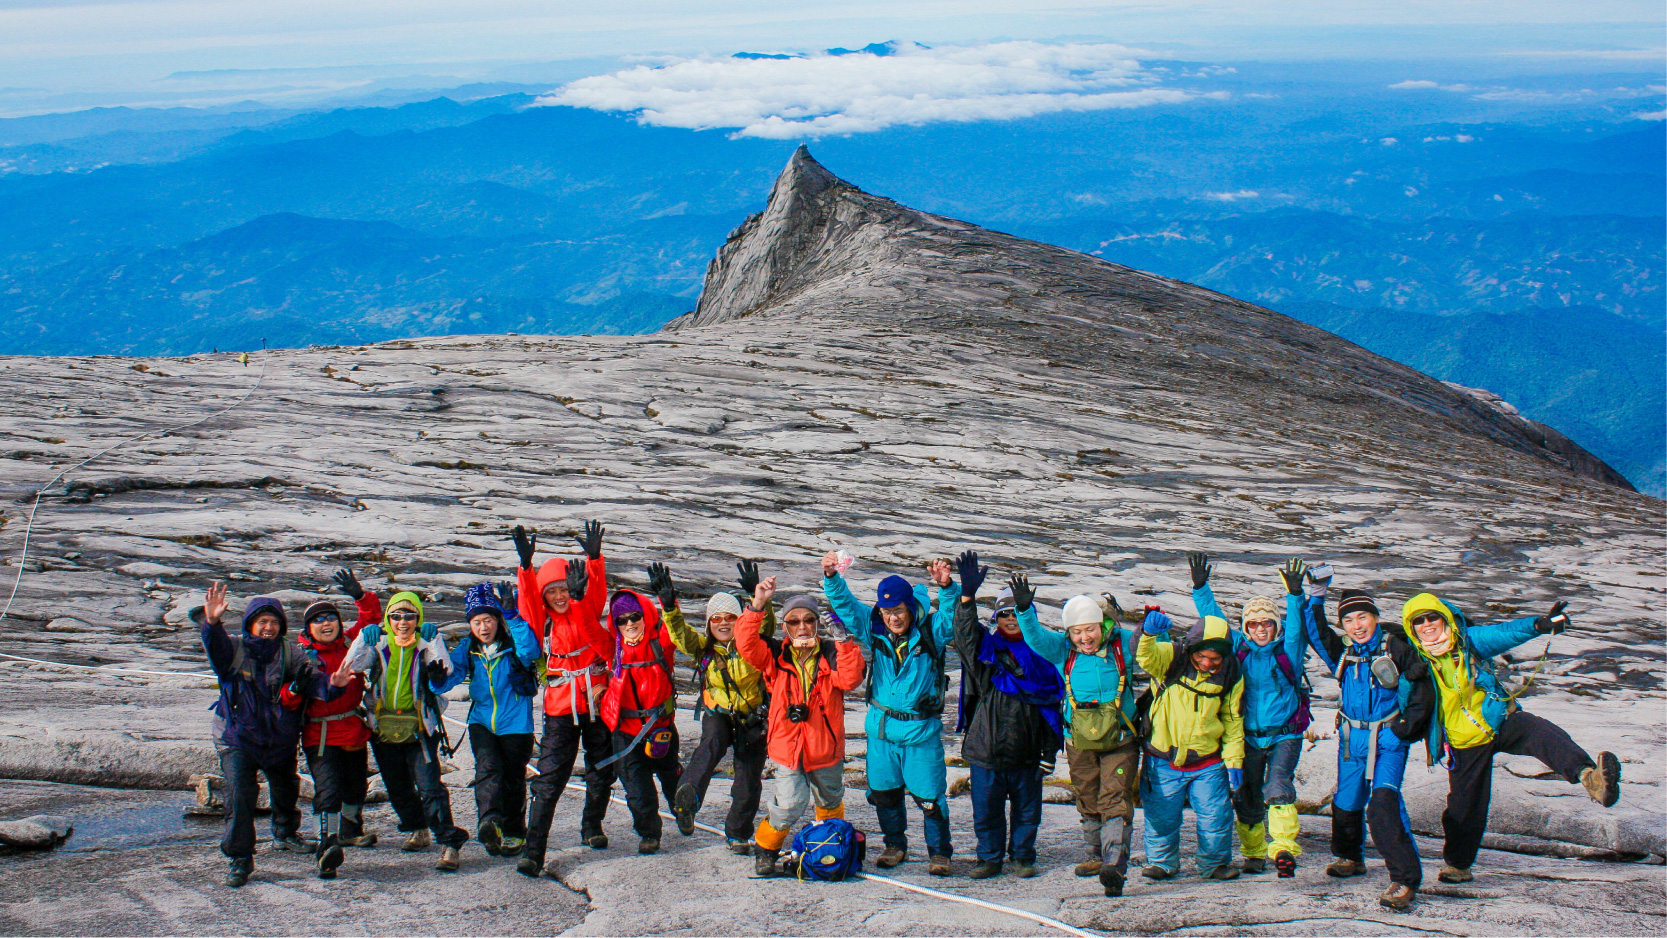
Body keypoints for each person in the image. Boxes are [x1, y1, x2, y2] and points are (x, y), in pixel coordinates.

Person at [1402, 593, 1621, 888]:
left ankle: (1589, 776)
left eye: (1433, 617)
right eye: (1419, 621)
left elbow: (1503, 633)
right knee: (1465, 807)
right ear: (1411, 627)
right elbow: (1407, 708)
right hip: (1462, 743)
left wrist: (1539, 625)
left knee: (1538, 730)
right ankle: (1458, 865)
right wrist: (1408, 679)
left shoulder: (1469, 641)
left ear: (1446, 619)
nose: (1427, 624)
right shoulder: (1415, 660)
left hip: (1498, 720)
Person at [196, 584, 350, 888]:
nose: (268, 628)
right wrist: (212, 623)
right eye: (262, 622)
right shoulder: (235, 648)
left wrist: (334, 684)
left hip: (278, 737)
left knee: (285, 787)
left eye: (274, 622)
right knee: (240, 795)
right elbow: (215, 650)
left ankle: (285, 833)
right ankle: (240, 858)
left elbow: (313, 681)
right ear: (251, 624)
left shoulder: (289, 651)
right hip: (237, 737)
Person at [1301, 580, 1434, 911]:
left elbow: (1422, 686)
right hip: (1350, 739)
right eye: (1348, 620)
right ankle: (1350, 858)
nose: (1356, 626)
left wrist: (1405, 729)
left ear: (1375, 617)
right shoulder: (1344, 652)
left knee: (1384, 806)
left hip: (1388, 739)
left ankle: (1404, 881)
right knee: (1346, 802)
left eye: (1362, 617)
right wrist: (1314, 597)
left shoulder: (1395, 647)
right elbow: (1316, 633)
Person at [822, 551, 957, 875]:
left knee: (929, 799)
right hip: (882, 732)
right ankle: (894, 845)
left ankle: (939, 854)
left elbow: (952, 620)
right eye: (886, 611)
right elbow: (847, 607)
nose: (892, 618)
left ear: (909, 607)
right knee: (884, 794)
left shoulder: (931, 632)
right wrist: (831, 578)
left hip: (920, 732)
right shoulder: (874, 629)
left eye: (897, 610)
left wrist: (948, 587)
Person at [1016, 583, 1144, 896]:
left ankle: (1113, 861)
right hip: (1078, 741)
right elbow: (1034, 638)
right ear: (1069, 633)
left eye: (1090, 630)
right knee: (1087, 795)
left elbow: (1152, 649)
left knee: (1114, 796)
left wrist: (1154, 630)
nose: (1084, 638)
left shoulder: (1122, 644)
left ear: (1101, 625)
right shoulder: (1063, 650)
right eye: (1077, 632)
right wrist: (1024, 611)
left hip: (1121, 739)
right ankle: (1095, 855)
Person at [733, 577, 866, 877]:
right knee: (790, 804)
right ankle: (765, 849)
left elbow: (850, 679)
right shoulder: (774, 656)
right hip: (787, 748)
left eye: (808, 620)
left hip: (825, 748)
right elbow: (745, 644)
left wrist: (844, 641)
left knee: (830, 802)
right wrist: (758, 605)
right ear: (785, 627)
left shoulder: (832, 653)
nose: (802, 626)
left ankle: (830, 846)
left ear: (817, 624)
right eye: (794, 621)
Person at [1189, 553, 1311, 878]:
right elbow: (1214, 624)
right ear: (1245, 627)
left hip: (1285, 733)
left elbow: (1298, 628)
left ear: (1276, 625)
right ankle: (1254, 853)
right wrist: (1201, 589)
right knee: (1247, 795)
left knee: (1277, 787)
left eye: (1267, 623)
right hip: (1248, 737)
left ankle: (1283, 847)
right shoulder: (1238, 651)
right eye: (1253, 624)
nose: (1260, 629)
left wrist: (1295, 596)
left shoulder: (1289, 651)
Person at [511, 520, 618, 877]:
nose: (558, 596)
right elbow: (526, 601)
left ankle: (592, 827)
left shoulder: (586, 606)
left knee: (602, 767)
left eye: (563, 589)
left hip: (597, 699)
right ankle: (534, 850)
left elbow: (597, 595)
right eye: (551, 591)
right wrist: (526, 569)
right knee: (550, 777)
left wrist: (594, 560)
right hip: (560, 705)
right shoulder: (540, 619)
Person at [950, 552, 1064, 881]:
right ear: (996, 618)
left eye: (1016, 612)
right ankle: (989, 858)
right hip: (987, 747)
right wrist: (967, 598)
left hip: (1027, 751)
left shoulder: (1044, 654)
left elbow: (1051, 708)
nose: (1010, 619)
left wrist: (1047, 751)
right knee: (986, 810)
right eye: (1004, 614)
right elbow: (965, 635)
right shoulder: (986, 651)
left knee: (1028, 812)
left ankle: (1023, 856)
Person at [343, 590, 470, 871]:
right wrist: (365, 637)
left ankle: (449, 842)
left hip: (420, 729)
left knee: (429, 787)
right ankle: (418, 828)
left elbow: (445, 673)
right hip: (382, 728)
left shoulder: (426, 640)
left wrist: (434, 640)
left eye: (410, 616)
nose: (403, 622)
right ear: (388, 617)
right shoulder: (379, 642)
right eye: (396, 616)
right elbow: (350, 667)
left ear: (418, 618)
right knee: (397, 786)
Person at [663, 560, 775, 853]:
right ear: (709, 624)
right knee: (710, 743)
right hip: (719, 714)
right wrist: (670, 608)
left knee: (748, 779)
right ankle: (687, 800)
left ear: (740, 620)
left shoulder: (753, 643)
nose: (723, 623)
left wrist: (758, 599)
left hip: (753, 717)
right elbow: (680, 634)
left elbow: (766, 624)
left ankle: (738, 833)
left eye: (730, 617)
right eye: (716, 619)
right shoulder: (703, 647)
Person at [430, 582, 541, 859]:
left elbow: (531, 651)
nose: (483, 627)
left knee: (513, 780)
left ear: (497, 620)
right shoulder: (468, 647)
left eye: (488, 620)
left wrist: (513, 615)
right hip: (482, 722)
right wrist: (437, 679)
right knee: (488, 770)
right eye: (477, 621)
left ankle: (514, 832)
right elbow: (451, 678)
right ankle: (490, 822)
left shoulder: (514, 642)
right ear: (471, 624)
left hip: (516, 723)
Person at [1136, 601, 1245, 882]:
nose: (1208, 663)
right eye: (1203, 656)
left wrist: (1234, 760)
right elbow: (1145, 656)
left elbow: (1232, 719)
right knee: (1161, 816)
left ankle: (1215, 864)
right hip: (1162, 758)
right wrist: (1147, 633)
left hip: (1208, 761)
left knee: (1215, 818)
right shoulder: (1172, 656)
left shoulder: (1232, 673)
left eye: (1215, 659)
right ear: (1193, 648)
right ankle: (1161, 862)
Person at [293, 568, 384, 879]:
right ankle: (327, 843)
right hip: (320, 733)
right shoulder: (302, 657)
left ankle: (349, 829)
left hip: (353, 728)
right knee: (329, 789)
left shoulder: (349, 643)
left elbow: (372, 621)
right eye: (318, 620)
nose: (326, 623)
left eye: (330, 617)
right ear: (308, 628)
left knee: (356, 785)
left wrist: (360, 596)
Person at [596, 578, 682, 855]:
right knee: (637, 788)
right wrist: (576, 600)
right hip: (626, 732)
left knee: (672, 779)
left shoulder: (661, 645)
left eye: (635, 616)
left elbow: (675, 630)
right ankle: (649, 834)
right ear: (615, 624)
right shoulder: (612, 650)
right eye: (622, 620)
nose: (630, 623)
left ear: (646, 616)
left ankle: (684, 812)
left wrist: (669, 605)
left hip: (661, 729)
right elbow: (586, 628)